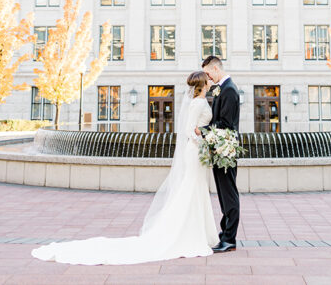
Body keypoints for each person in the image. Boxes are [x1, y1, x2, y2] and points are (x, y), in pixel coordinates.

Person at [31, 71, 219, 265]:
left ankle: (199, 232)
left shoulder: (201, 101)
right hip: (195, 150)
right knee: (192, 188)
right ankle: (188, 233)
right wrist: (205, 139)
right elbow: (190, 130)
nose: (210, 81)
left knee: (197, 189)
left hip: (198, 151)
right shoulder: (197, 103)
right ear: (203, 84)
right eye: (207, 80)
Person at [198, 54, 240, 253]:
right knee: (223, 195)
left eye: (208, 73)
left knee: (229, 194)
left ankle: (230, 238)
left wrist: (203, 130)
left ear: (216, 69)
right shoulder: (221, 89)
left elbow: (226, 124)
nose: (207, 78)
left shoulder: (229, 90)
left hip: (226, 151)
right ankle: (225, 234)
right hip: (220, 149)